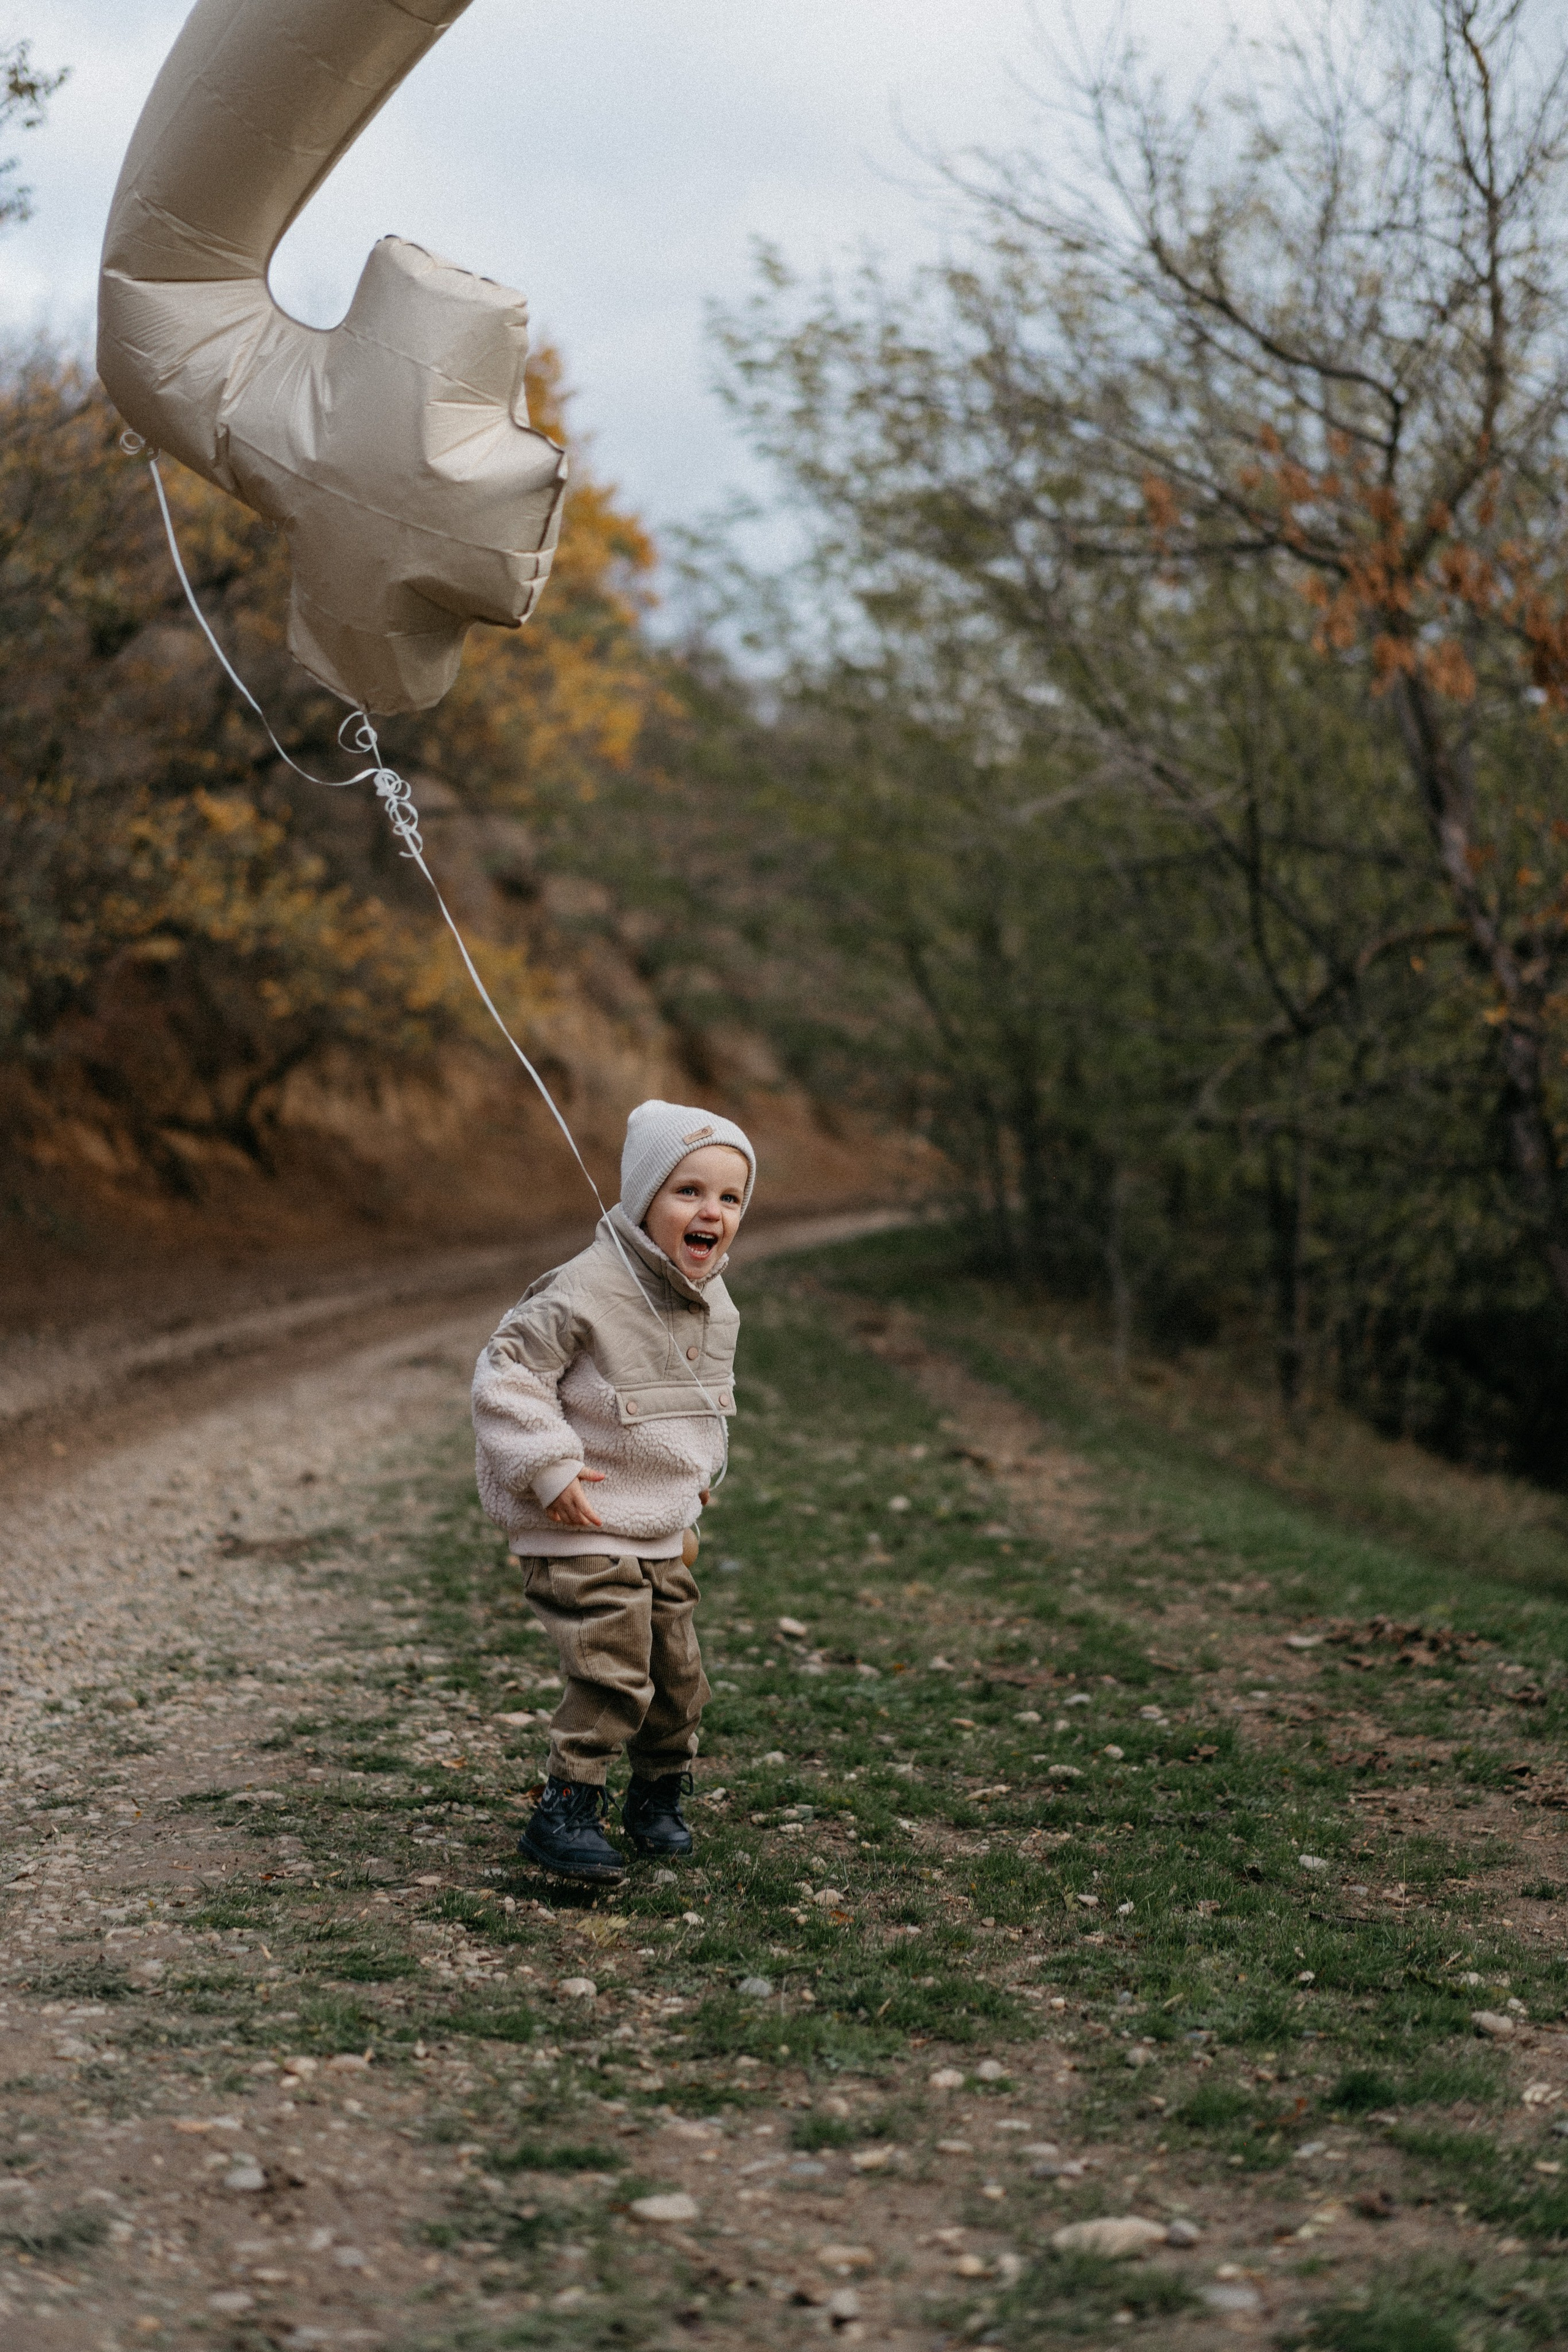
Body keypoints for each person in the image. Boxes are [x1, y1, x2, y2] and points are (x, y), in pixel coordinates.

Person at [472, 1099, 755, 1882]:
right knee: (612, 1666)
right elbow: (506, 1375)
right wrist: (548, 1466)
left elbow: (690, 1409)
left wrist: (692, 1482)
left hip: (656, 1524)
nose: (712, 1211)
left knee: (678, 1676)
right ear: (642, 1197)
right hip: (582, 1519)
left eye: (730, 1198)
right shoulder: (585, 1287)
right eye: (688, 1191)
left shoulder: (711, 1298)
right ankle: (566, 1807)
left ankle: (656, 1795)